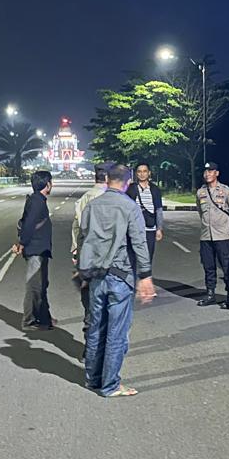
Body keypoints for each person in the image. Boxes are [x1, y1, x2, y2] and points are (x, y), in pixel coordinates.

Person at [78, 164, 155, 397]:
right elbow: (139, 243)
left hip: (95, 276)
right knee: (117, 332)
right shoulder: (130, 207)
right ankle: (110, 385)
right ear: (127, 182)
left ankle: (93, 379)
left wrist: (83, 270)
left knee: (96, 328)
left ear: (107, 179)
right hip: (120, 276)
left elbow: (83, 238)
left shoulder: (91, 206)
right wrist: (145, 276)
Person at [195, 161, 229, 308]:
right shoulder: (200, 192)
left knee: (227, 267)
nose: (207, 174)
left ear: (217, 173)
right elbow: (200, 212)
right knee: (208, 267)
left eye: (210, 171)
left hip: (223, 237)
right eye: (205, 171)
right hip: (206, 236)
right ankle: (210, 294)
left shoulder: (227, 191)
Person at [71, 164, 110, 338]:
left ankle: (90, 336)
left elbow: (76, 227)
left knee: (88, 294)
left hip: (86, 254)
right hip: (107, 255)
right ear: (107, 178)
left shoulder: (84, 199)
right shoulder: (113, 199)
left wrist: (75, 251)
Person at [13, 169, 53, 330]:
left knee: (42, 284)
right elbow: (29, 224)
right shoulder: (37, 201)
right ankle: (29, 320)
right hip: (35, 249)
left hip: (40, 248)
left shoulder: (37, 199)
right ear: (47, 184)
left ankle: (44, 319)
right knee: (34, 286)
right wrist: (22, 243)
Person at [126, 163, 165, 264]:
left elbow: (158, 210)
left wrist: (159, 229)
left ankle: (146, 274)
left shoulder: (155, 189)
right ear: (136, 173)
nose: (142, 174)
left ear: (149, 173)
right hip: (134, 229)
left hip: (150, 229)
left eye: (144, 171)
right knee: (132, 258)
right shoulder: (131, 189)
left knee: (147, 258)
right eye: (139, 171)